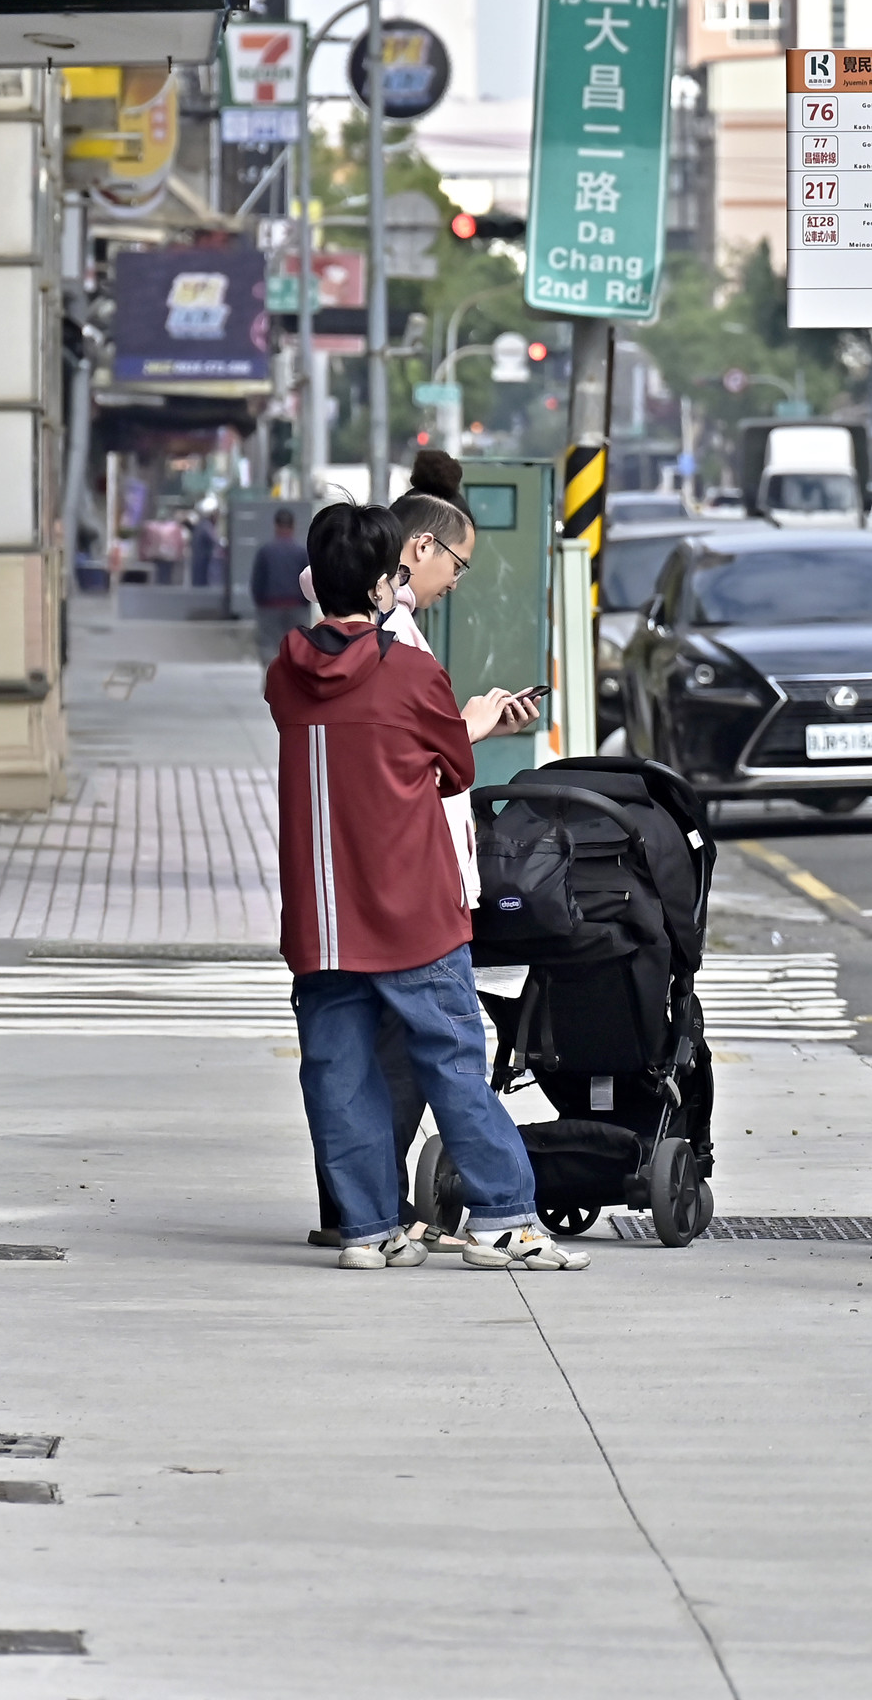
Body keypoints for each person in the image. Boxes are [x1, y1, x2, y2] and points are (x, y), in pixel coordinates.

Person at [265, 503, 583, 1271]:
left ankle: (369, 1229)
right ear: (385, 583)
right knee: (452, 1064)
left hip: (323, 913)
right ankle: (503, 1217)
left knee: (340, 1074)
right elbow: (458, 770)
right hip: (411, 906)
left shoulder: (287, 672)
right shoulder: (408, 669)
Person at [251, 507, 309, 657]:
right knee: (297, 648)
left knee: (269, 646)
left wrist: (260, 603)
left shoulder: (265, 551)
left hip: (269, 607)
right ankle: (295, 680)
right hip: (296, 606)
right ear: (293, 525)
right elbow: (308, 581)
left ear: (275, 525)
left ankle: (272, 678)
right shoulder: (301, 552)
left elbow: (257, 582)